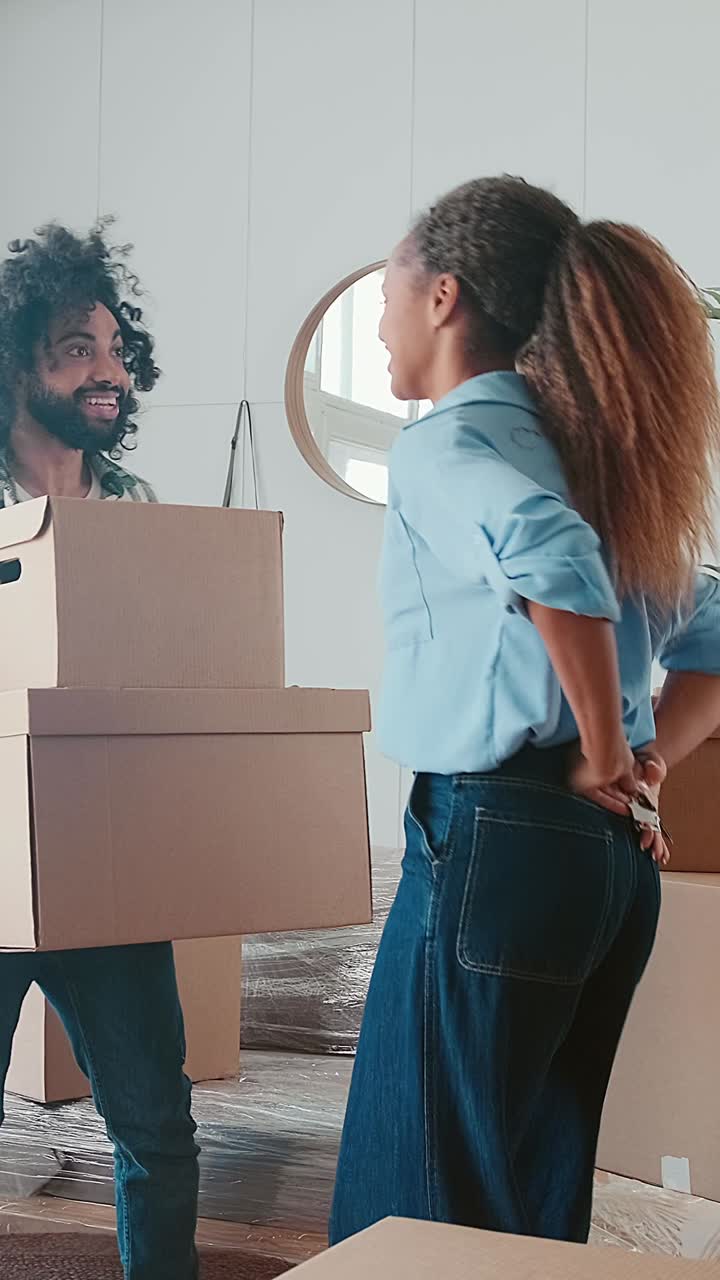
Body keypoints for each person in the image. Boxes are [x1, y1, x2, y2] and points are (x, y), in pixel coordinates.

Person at [329, 176, 720, 1246]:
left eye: (391, 288)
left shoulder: (447, 445)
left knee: (415, 1203)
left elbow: (553, 558)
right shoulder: (600, 454)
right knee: (531, 1202)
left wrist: (605, 748)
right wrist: (646, 761)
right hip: (605, 866)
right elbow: (714, 632)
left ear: (446, 296)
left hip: (497, 835)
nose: (381, 315)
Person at [0, 223, 199, 1280]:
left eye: (115, 348)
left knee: (158, 1132)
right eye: (76, 347)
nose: (107, 369)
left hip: (111, 869)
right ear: (17, 362)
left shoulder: (137, 514)